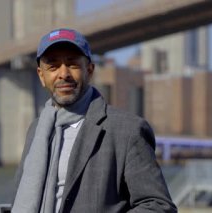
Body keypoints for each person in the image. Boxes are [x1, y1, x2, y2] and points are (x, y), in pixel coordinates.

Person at [11, 28, 177, 213]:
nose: (63, 73)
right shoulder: (37, 129)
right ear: (42, 76)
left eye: (72, 64)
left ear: (89, 70)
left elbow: (158, 206)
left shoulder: (128, 130)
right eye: (53, 66)